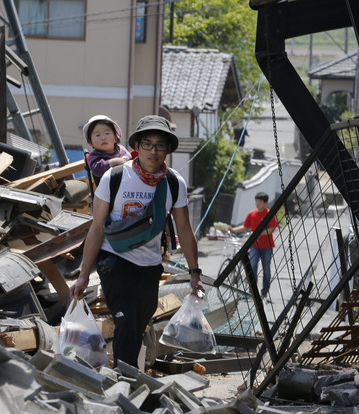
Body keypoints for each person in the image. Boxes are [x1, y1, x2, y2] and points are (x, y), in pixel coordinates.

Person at [70, 115, 203, 369]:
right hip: (114, 260)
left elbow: (185, 230)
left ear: (168, 150)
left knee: (140, 320)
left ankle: (127, 377)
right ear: (137, 147)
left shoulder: (174, 183)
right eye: (147, 144)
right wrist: (84, 275)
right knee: (126, 319)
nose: (153, 151)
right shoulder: (115, 177)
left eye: (160, 146)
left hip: (150, 265)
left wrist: (194, 273)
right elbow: (97, 228)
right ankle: (125, 383)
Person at [230, 192, 277, 299]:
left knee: (266, 270)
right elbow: (245, 227)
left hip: (267, 247)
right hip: (254, 246)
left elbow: (272, 229)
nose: (257, 203)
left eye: (260, 201)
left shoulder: (269, 213)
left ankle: (264, 292)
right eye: (256, 201)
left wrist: (259, 232)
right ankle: (253, 292)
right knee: (252, 268)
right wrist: (233, 229)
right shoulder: (252, 214)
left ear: (265, 203)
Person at [83, 115, 133, 183]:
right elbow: (96, 169)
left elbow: (129, 157)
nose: (103, 138)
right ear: (91, 143)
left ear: (115, 138)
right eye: (98, 135)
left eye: (107, 133)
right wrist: (115, 161)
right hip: (109, 189)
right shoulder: (94, 156)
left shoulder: (121, 149)